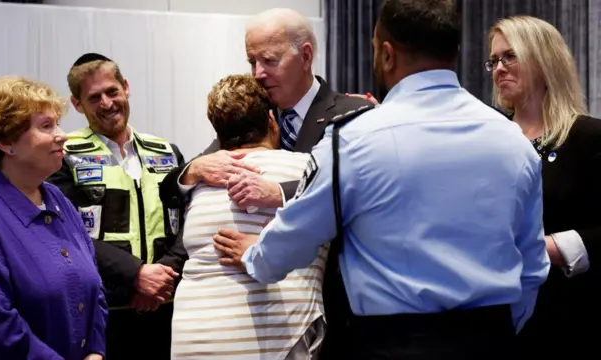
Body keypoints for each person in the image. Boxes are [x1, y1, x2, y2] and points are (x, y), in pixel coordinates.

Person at [212, 0, 551, 359]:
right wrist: (493, 331)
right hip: (492, 341)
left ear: (386, 54)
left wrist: (256, 255)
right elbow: (533, 264)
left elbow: (295, 239)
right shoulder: (513, 140)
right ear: (453, 50)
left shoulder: (351, 141)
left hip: (392, 344)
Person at [159, 9, 371, 358]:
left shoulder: (353, 115)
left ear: (305, 56)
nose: (258, 73)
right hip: (247, 323)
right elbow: (173, 189)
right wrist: (192, 171)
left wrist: (282, 194)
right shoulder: (251, 117)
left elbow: (362, 190)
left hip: (330, 311)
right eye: (251, 60)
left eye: (268, 60)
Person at [170, 74, 326, 359]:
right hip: (276, 338)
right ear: (271, 120)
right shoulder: (308, 169)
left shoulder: (199, 181)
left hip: (193, 337)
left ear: (218, 135)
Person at [47, 53, 185, 360]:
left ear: (126, 87)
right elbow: (64, 234)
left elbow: (189, 223)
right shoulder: (62, 155)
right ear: (77, 104)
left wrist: (162, 277)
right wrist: (135, 276)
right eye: (94, 98)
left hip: (168, 307)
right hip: (101, 314)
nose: (107, 103)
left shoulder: (166, 150)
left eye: (112, 91)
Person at [0, 76, 107, 360]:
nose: (62, 135)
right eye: (46, 126)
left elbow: (95, 289)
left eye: (57, 123)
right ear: (6, 142)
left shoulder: (58, 200)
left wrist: (95, 351)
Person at [487, 15, 601, 358]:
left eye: (510, 56)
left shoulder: (589, 138)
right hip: (494, 317)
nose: (499, 68)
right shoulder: (487, 138)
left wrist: (545, 248)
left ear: (544, 58)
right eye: (493, 60)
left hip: (569, 319)